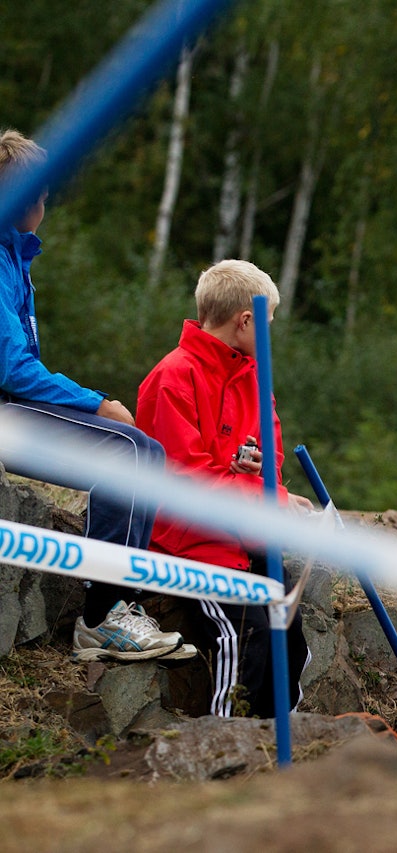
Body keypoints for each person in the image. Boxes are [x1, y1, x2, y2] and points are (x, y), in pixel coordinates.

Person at [0, 128, 190, 661]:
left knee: (143, 449)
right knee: (127, 450)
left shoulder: (15, 256)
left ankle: (120, 604)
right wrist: (95, 401)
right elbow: (12, 367)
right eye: (36, 189)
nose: (45, 199)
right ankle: (100, 617)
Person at [136, 259, 313, 717]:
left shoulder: (256, 377)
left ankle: (282, 747)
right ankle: (228, 753)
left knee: (288, 636)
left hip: (246, 534)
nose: (271, 336)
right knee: (246, 636)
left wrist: (259, 475)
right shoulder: (173, 377)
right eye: (269, 323)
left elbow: (269, 453)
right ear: (246, 320)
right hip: (193, 544)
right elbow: (184, 485)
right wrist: (264, 495)